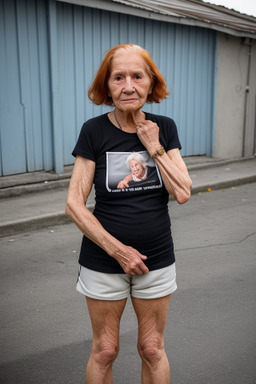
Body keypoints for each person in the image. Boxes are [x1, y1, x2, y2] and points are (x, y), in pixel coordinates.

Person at [66, 43, 192, 384]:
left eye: (137, 76)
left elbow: (182, 191)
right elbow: (74, 203)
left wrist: (154, 146)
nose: (128, 86)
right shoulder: (94, 131)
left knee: (152, 348)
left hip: (157, 258)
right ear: (107, 86)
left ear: (151, 83)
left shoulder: (163, 127)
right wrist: (118, 251)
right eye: (117, 77)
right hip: (104, 260)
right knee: (105, 350)